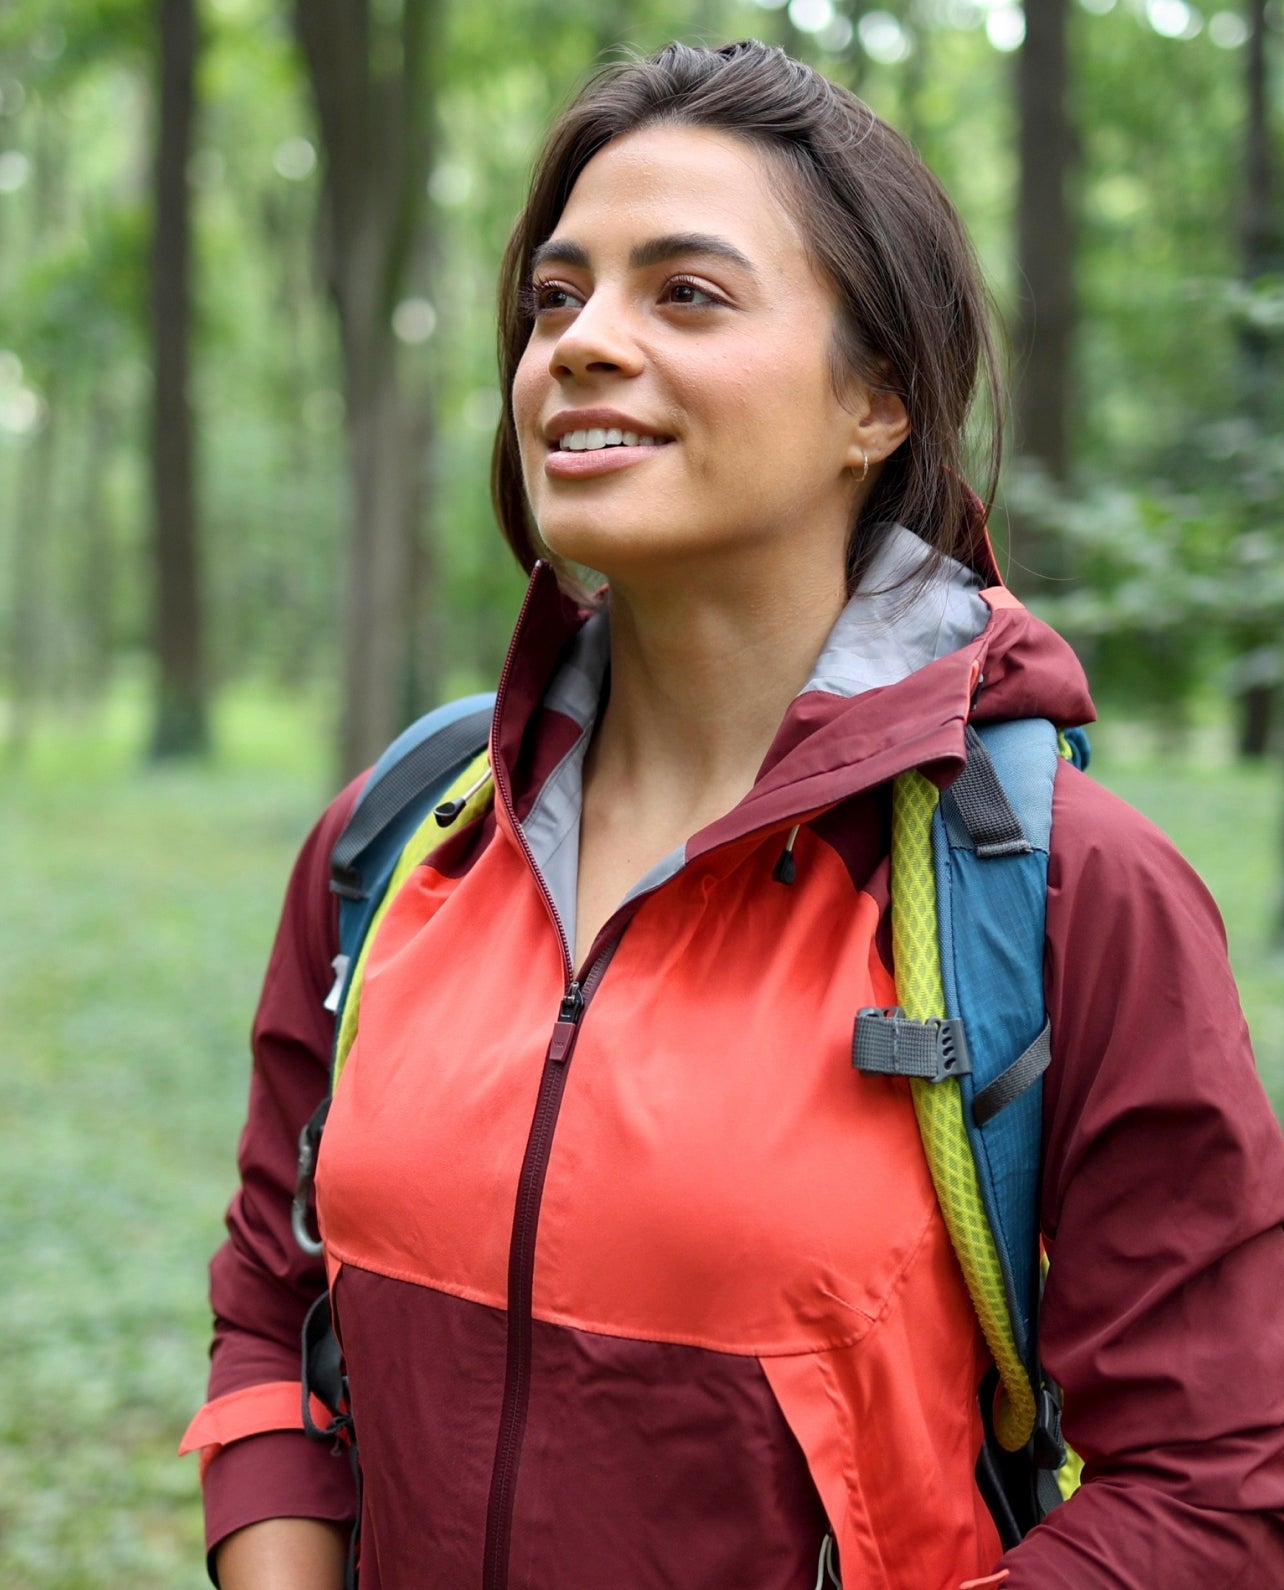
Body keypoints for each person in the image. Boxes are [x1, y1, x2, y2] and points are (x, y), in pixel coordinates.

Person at [182, 39, 1284, 1590]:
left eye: (683, 294)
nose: (580, 345)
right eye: (555, 299)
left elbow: (1213, 1489)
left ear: (878, 400)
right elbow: (274, 1305)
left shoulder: (1062, 894)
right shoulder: (401, 833)